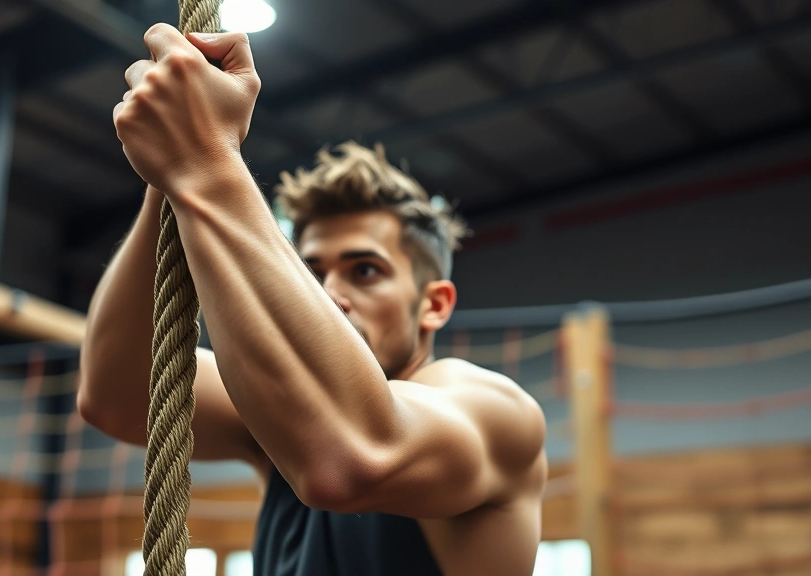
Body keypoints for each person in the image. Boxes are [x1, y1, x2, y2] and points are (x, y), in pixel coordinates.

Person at [78, 23, 547, 576]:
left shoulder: (493, 411)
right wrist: (172, 163)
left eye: (366, 270)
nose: (331, 295)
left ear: (434, 304)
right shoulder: (283, 415)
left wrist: (203, 160)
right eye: (311, 271)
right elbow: (119, 393)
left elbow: (353, 458)